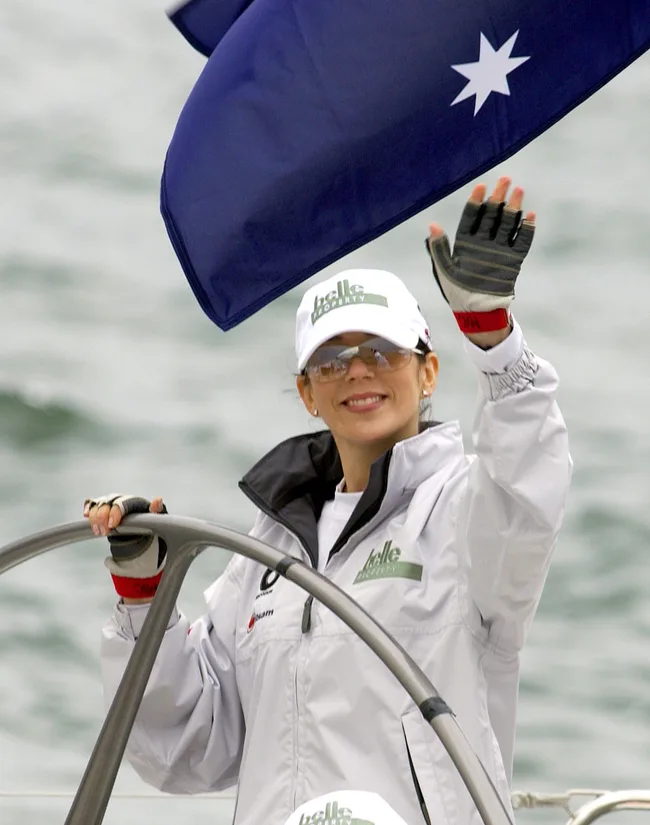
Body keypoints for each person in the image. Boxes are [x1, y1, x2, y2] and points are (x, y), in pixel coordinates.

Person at [86, 176, 572, 825]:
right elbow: (186, 746)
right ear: (307, 392)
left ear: (428, 372)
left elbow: (529, 494)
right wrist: (144, 592)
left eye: (382, 351)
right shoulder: (265, 551)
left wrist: (494, 343)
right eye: (332, 360)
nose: (359, 370)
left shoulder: (465, 510)